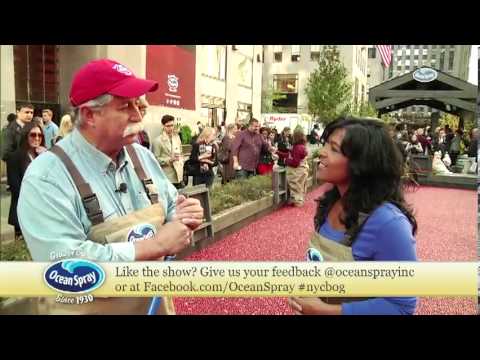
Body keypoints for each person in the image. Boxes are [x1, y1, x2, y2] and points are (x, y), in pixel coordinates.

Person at [17, 58, 203, 315]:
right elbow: (65, 265)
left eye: (138, 105)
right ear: (89, 114)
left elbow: (172, 207)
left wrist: (183, 215)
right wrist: (155, 246)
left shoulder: (143, 156)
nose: (137, 115)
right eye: (126, 106)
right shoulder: (46, 176)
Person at [288, 117, 417, 315]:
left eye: (334, 149)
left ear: (362, 164)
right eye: (325, 144)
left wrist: (322, 310)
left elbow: (401, 306)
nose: (321, 153)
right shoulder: (331, 202)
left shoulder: (389, 223)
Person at [7, 122, 47, 241]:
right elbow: (15, 187)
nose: (37, 138)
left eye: (40, 135)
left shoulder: (42, 154)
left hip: (42, 212)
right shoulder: (15, 157)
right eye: (33, 135)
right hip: (24, 211)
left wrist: (46, 157)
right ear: (25, 136)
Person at [152, 115, 184, 189]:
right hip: (167, 177)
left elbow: (181, 153)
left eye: (172, 125)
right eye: (168, 126)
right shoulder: (157, 141)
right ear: (163, 126)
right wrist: (169, 160)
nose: (171, 128)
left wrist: (181, 162)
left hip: (179, 175)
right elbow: (154, 160)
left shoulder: (177, 138)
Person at [285, 129, 309, 207]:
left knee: (296, 185)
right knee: (301, 185)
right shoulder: (303, 146)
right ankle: (299, 200)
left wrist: (286, 160)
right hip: (304, 169)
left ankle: (297, 202)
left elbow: (295, 163)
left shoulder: (297, 147)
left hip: (297, 170)